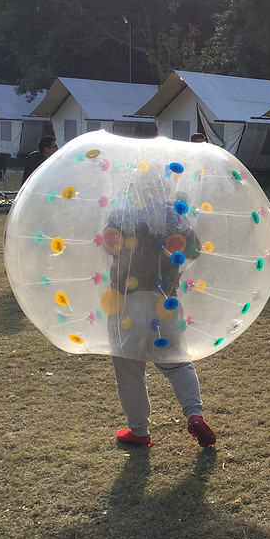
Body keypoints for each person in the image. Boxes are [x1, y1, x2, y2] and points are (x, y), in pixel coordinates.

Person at [101, 185, 216, 449]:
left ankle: (139, 431)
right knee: (177, 362)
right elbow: (194, 250)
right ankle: (194, 415)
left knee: (129, 369)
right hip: (166, 300)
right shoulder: (175, 213)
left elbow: (108, 245)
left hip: (126, 302)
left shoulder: (121, 213)